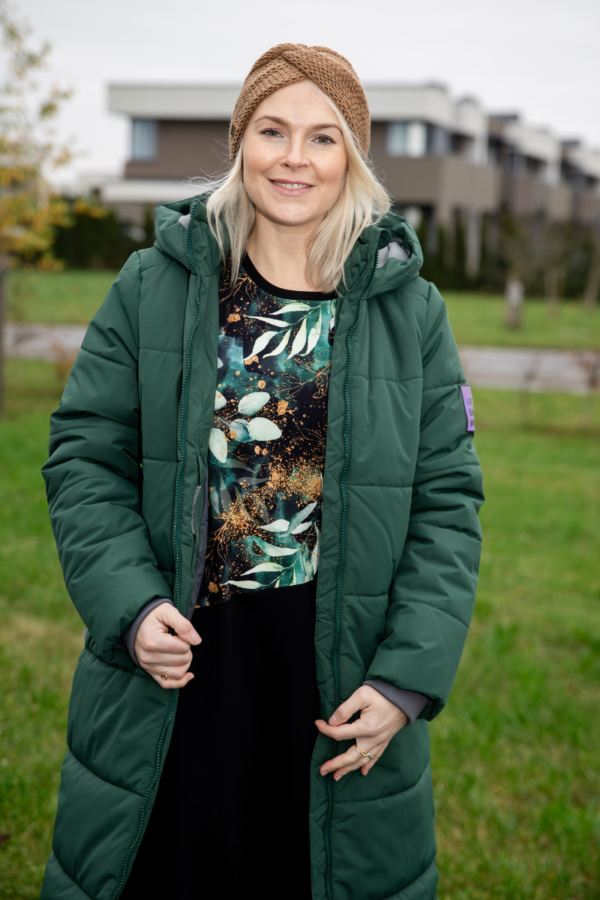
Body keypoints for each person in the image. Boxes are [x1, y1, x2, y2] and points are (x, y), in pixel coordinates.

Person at [40, 43, 483, 900]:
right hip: (182, 664)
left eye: (323, 138)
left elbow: (447, 504)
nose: (294, 158)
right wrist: (132, 607)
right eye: (273, 130)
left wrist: (405, 681)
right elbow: (85, 456)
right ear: (240, 141)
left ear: (351, 159)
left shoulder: (410, 310)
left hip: (334, 676)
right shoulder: (155, 284)